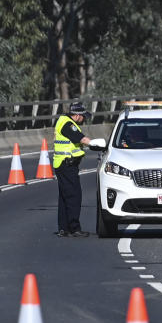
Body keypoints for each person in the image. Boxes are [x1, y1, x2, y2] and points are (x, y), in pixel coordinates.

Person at [53, 101, 92, 237]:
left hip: (63, 164)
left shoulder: (64, 121)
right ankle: (74, 228)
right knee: (74, 196)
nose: (84, 119)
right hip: (66, 164)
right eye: (83, 116)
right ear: (76, 115)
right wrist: (95, 144)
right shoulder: (68, 124)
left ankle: (63, 228)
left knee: (65, 196)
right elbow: (81, 139)